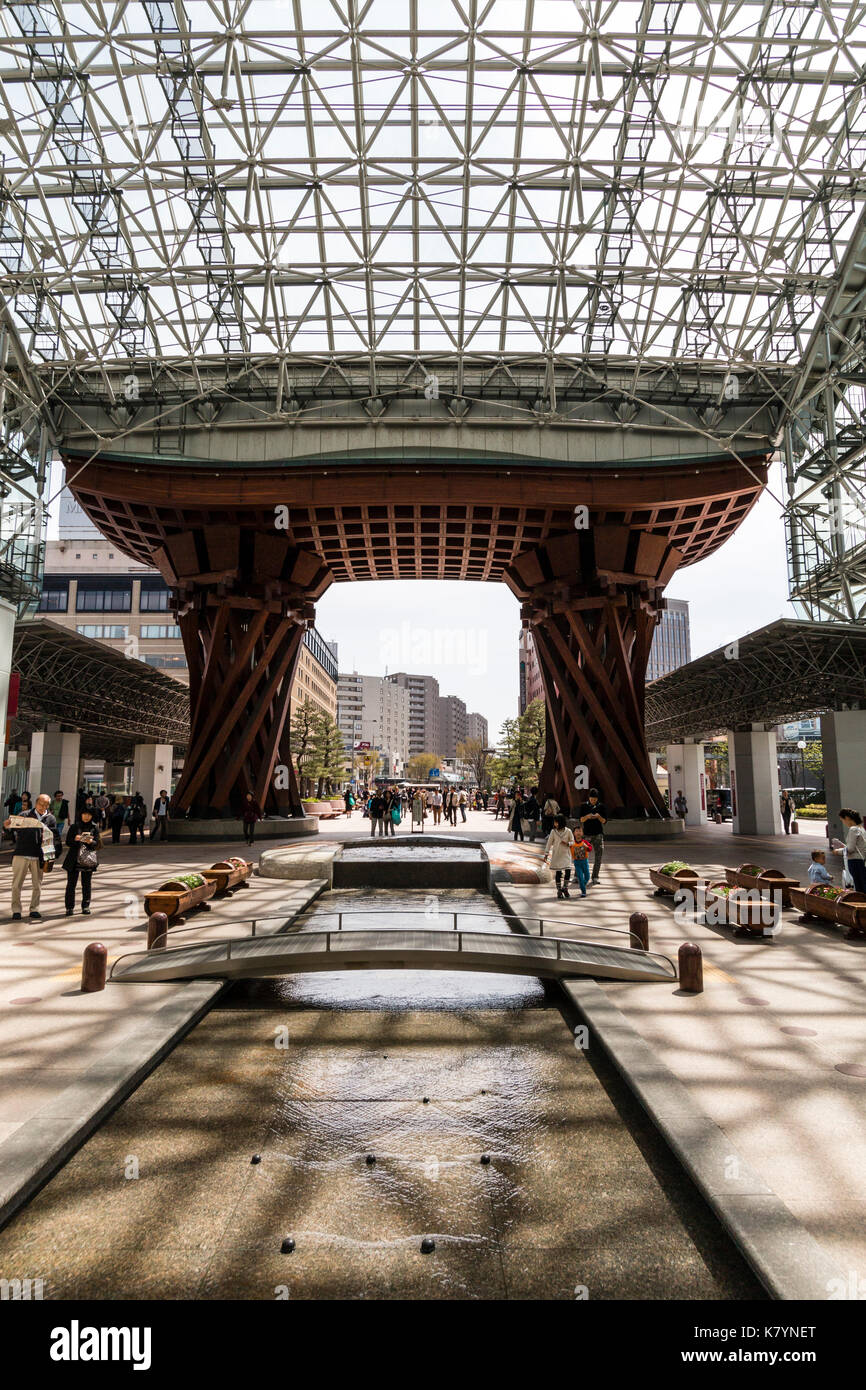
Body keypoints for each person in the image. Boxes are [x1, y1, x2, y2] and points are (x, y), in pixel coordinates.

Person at [4, 792, 56, 921]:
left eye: (45, 805)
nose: (42, 807)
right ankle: (16, 910)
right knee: (16, 884)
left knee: (37, 885)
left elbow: (55, 837)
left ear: (49, 805)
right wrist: (6, 826)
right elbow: (12, 829)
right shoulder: (24, 815)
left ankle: (34, 909)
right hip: (21, 853)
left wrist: (52, 855)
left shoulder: (50, 819)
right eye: (40, 804)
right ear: (36, 803)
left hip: (39, 855)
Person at [63, 804, 102, 916]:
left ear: (92, 816)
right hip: (74, 858)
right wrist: (76, 839)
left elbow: (97, 844)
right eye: (84, 814)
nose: (86, 817)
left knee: (86, 884)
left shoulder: (94, 827)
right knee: (71, 884)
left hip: (87, 859)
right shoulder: (75, 827)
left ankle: (86, 906)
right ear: (80, 814)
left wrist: (91, 842)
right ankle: (69, 907)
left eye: (89, 814)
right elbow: (68, 842)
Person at [578, 789, 607, 885]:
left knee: (598, 856)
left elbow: (604, 821)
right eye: (591, 799)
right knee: (581, 855)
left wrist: (598, 817)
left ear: (597, 799)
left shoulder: (601, 806)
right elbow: (581, 819)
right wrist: (587, 816)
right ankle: (577, 876)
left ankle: (595, 876)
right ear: (589, 798)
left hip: (598, 834)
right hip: (586, 834)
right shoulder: (584, 806)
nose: (593, 801)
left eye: (594, 799)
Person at [544, 813, 575, 900]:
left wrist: (568, 843)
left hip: (566, 854)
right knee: (558, 873)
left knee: (568, 871)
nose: (555, 824)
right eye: (554, 822)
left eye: (556, 822)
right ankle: (559, 890)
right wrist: (546, 853)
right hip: (557, 855)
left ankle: (565, 888)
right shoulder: (553, 832)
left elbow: (573, 842)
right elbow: (549, 843)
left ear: (561, 822)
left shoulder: (568, 831)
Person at [834, 810, 866, 893]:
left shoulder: (853, 829)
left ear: (847, 818)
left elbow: (850, 849)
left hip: (855, 861)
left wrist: (838, 851)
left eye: (843, 820)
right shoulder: (861, 828)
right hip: (862, 860)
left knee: (859, 887)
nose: (844, 823)